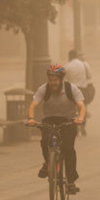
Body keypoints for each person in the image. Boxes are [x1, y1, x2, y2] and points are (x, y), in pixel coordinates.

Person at [27, 64, 85, 193]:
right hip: (49, 120)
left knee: (68, 148)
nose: (53, 83)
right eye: (51, 80)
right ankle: (48, 164)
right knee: (45, 142)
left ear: (61, 79)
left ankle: (71, 181)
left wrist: (80, 118)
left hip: (68, 121)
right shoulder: (44, 89)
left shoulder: (71, 89)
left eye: (55, 80)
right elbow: (33, 105)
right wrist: (31, 118)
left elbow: (81, 105)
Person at [64, 50, 93, 136]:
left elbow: (63, 79)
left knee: (71, 109)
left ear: (69, 57)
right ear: (76, 56)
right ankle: (83, 126)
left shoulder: (67, 66)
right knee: (83, 108)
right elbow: (89, 76)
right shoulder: (84, 64)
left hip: (72, 90)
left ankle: (74, 127)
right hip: (82, 90)